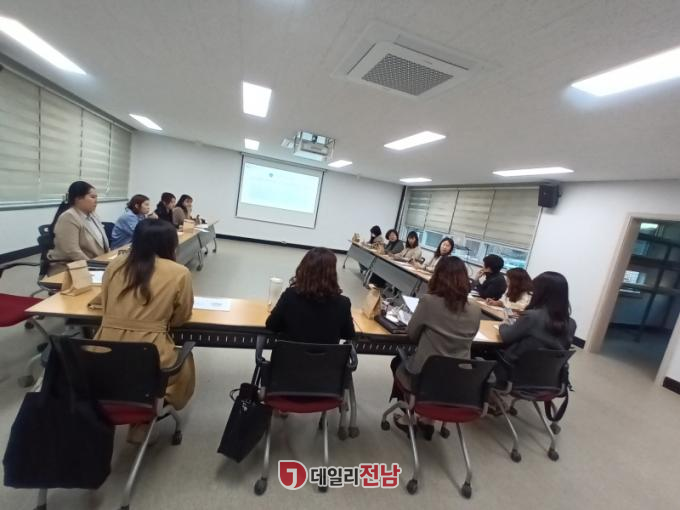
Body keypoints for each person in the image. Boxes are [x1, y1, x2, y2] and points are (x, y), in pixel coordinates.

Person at [94, 219, 196, 442]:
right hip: (150, 354)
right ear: (171, 245)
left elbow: (104, 303)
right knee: (181, 363)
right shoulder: (179, 273)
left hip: (103, 353)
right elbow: (181, 317)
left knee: (129, 371)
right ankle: (144, 419)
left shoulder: (114, 265)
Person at [390, 257, 481, 439]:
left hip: (426, 377)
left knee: (398, 362)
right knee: (441, 370)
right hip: (460, 379)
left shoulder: (429, 302)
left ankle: (410, 416)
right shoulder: (476, 309)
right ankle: (428, 420)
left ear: (437, 276)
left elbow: (412, 334)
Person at [495, 271, 576, 384]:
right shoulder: (571, 323)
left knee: (488, 352)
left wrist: (504, 324)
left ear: (540, 292)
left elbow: (506, 336)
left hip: (516, 373)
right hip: (549, 378)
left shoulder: (532, 317)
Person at [266, 247, 356, 344]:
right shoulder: (343, 303)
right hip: (326, 354)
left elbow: (271, 326)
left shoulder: (290, 295)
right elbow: (348, 334)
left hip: (290, 354)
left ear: (304, 269)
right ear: (333, 274)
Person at [47, 181, 109, 273]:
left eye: (96, 197)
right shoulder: (69, 217)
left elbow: (102, 243)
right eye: (92, 197)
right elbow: (72, 252)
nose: (96, 200)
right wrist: (95, 266)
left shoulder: (93, 215)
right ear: (78, 198)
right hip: (72, 267)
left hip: (96, 262)